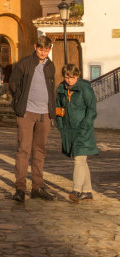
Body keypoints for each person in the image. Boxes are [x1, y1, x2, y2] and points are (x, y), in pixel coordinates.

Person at [9, 35, 57, 203]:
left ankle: (37, 187)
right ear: (36, 47)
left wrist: (51, 111)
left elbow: (52, 88)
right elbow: (13, 84)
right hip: (27, 113)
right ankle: (20, 189)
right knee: (24, 150)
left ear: (49, 49)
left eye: (46, 50)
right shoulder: (24, 64)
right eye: (41, 49)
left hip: (45, 115)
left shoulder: (51, 66)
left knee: (39, 151)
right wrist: (20, 102)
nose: (43, 52)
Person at [56, 63, 99, 203]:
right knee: (80, 160)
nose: (70, 80)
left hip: (83, 130)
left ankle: (76, 190)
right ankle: (87, 191)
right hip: (68, 130)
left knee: (79, 160)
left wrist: (85, 124)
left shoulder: (85, 89)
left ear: (77, 76)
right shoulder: (61, 89)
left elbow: (92, 109)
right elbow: (58, 107)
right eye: (67, 77)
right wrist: (61, 125)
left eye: (73, 78)